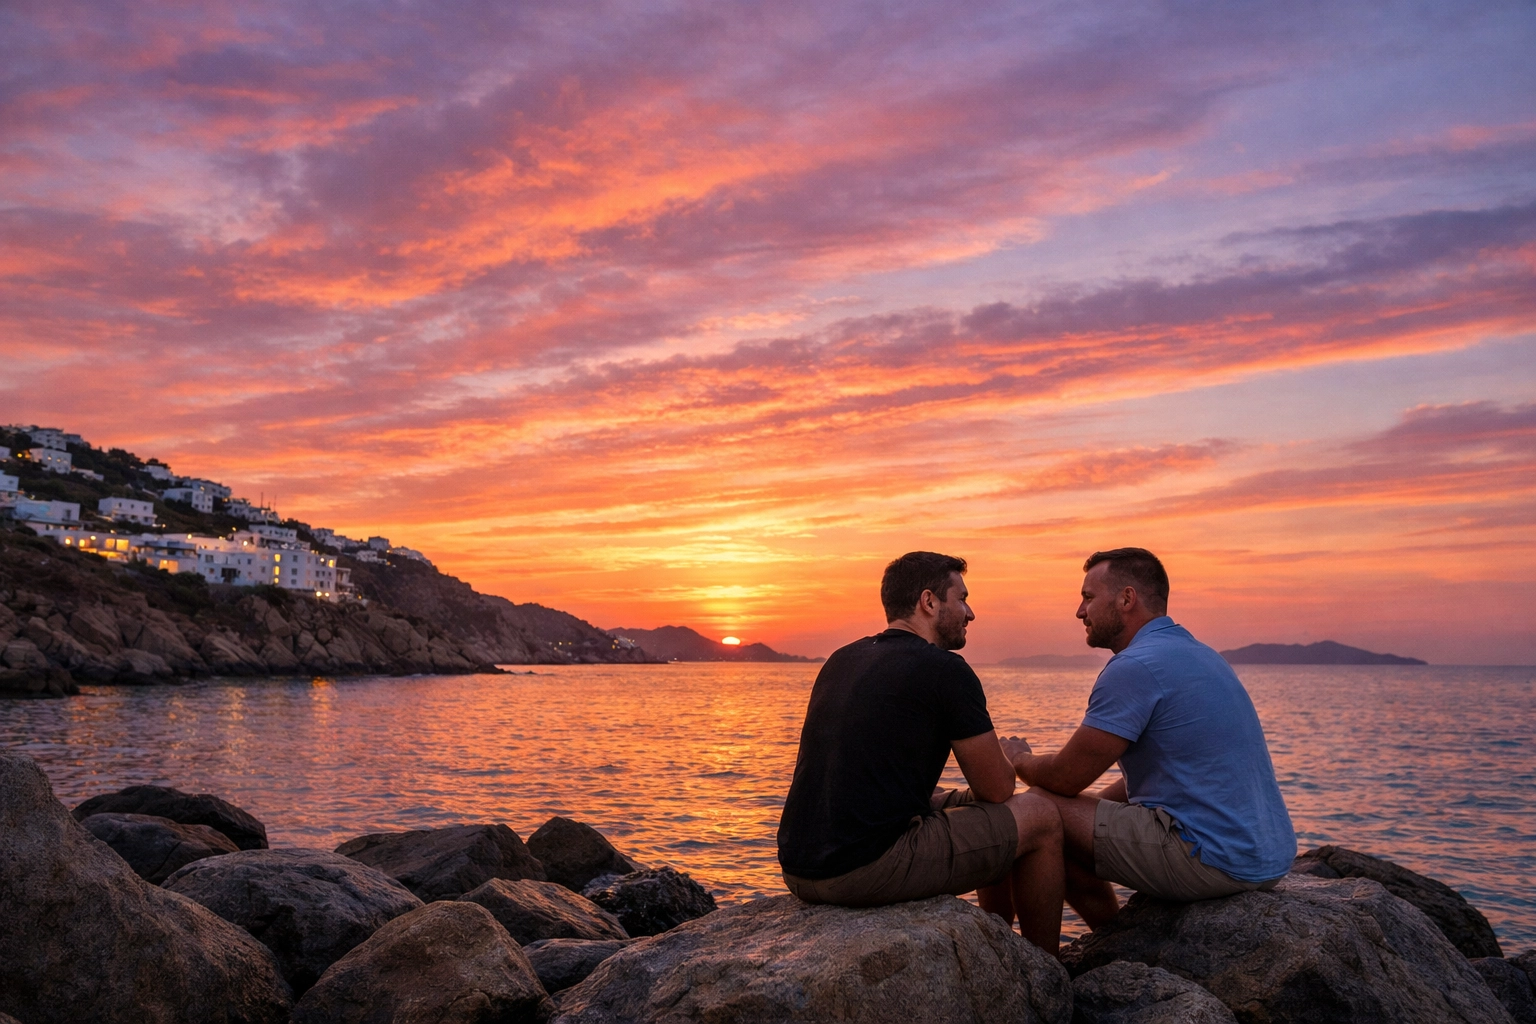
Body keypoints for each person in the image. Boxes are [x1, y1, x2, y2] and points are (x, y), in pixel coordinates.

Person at [776, 551, 1066, 953]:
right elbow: (997, 789)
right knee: (1042, 816)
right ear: (929, 602)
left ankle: (999, 948)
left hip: (797, 866)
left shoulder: (843, 658)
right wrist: (1010, 755)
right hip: (862, 870)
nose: (971, 612)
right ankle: (1044, 967)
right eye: (961, 598)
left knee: (977, 806)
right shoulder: (945, 669)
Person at [999, 548, 1295, 929]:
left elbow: (1064, 778)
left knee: (1037, 809)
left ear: (1126, 598)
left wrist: (1018, 757)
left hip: (1213, 860)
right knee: (1057, 821)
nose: (1079, 611)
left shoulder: (1135, 666)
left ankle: (1041, 969)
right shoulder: (1200, 655)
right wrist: (1080, 814)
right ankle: (1111, 942)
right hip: (1267, 858)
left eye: (1088, 597)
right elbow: (1175, 766)